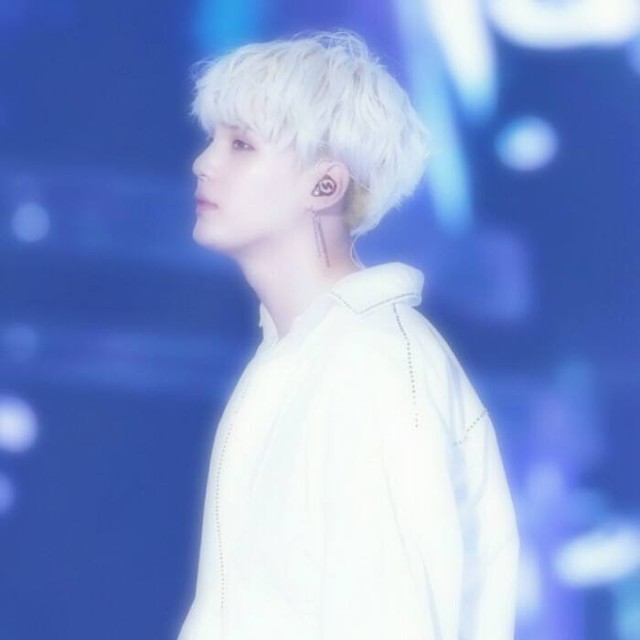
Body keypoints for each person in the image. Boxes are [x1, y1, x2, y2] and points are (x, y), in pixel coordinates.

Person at [178, 28, 519, 640]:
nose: (204, 163)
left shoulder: (369, 362)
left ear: (325, 185)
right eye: (213, 140)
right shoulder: (302, 356)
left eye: (242, 144)